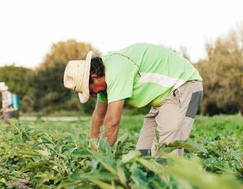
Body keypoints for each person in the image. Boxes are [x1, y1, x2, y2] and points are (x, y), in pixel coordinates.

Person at [63, 43, 203, 157]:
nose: (93, 95)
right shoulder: (104, 77)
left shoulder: (116, 70)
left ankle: (172, 188)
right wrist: (93, 145)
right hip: (163, 98)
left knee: (165, 152)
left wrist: (102, 160)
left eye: (89, 90)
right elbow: (99, 115)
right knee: (142, 154)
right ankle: (150, 188)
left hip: (184, 86)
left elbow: (112, 122)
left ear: (94, 77)